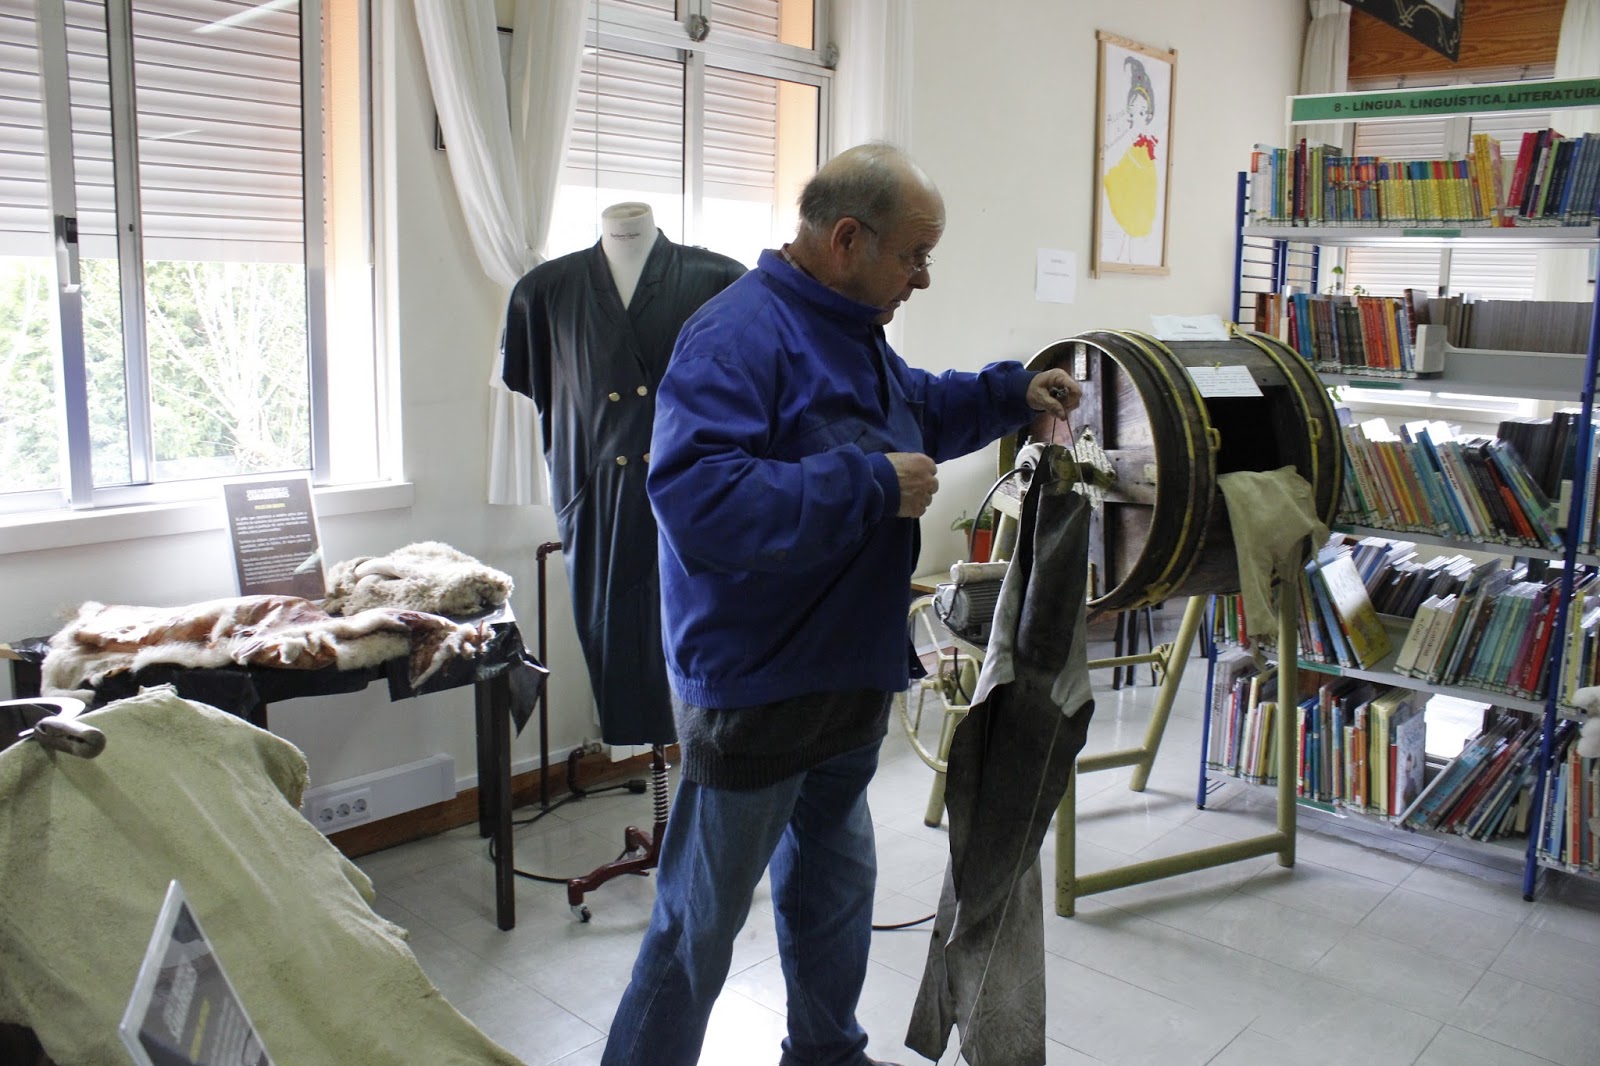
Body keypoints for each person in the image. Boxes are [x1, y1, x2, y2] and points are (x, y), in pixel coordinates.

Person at [599, 143, 1081, 1066]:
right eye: (914, 256)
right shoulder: (735, 335)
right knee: (699, 924)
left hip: (845, 672)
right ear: (848, 238)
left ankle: (827, 1054)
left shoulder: (849, 326)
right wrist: (869, 486)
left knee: (833, 890)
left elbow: (911, 408)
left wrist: (1008, 394)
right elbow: (698, 499)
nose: (923, 278)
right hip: (759, 685)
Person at [500, 204, 744, 745]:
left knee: (703, 649)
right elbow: (540, 384)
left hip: (696, 495)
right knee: (615, 641)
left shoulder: (723, 280)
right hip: (596, 500)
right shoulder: (541, 292)